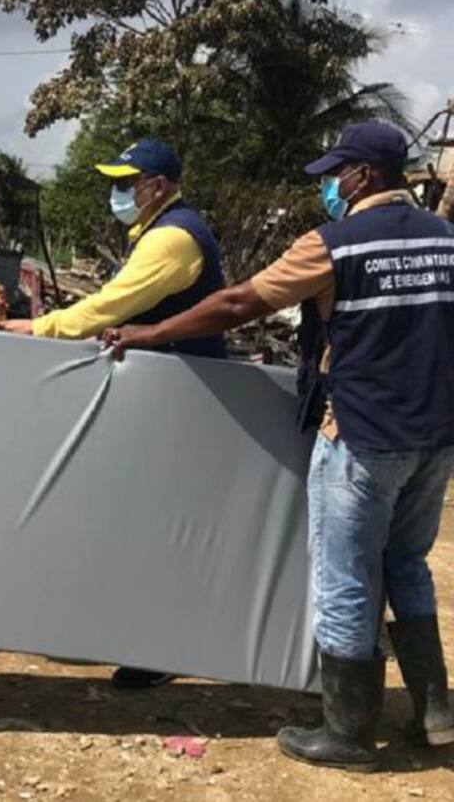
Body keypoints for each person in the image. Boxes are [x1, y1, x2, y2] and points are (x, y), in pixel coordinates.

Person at [105, 122, 454, 771]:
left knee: (346, 577)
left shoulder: (336, 244)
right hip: (435, 438)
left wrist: (153, 333)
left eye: (335, 173)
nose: (329, 185)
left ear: (364, 176)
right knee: (406, 564)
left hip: (362, 435)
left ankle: (348, 733)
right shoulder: (446, 239)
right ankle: (435, 712)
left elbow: (240, 301)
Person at [4, 139, 227, 690]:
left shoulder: (174, 239)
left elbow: (109, 306)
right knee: (140, 517)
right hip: (163, 390)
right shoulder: (159, 231)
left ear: (158, 185)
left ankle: (163, 645)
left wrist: (38, 328)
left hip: (181, 394)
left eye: (126, 183)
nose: (118, 192)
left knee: (160, 524)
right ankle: (139, 633)